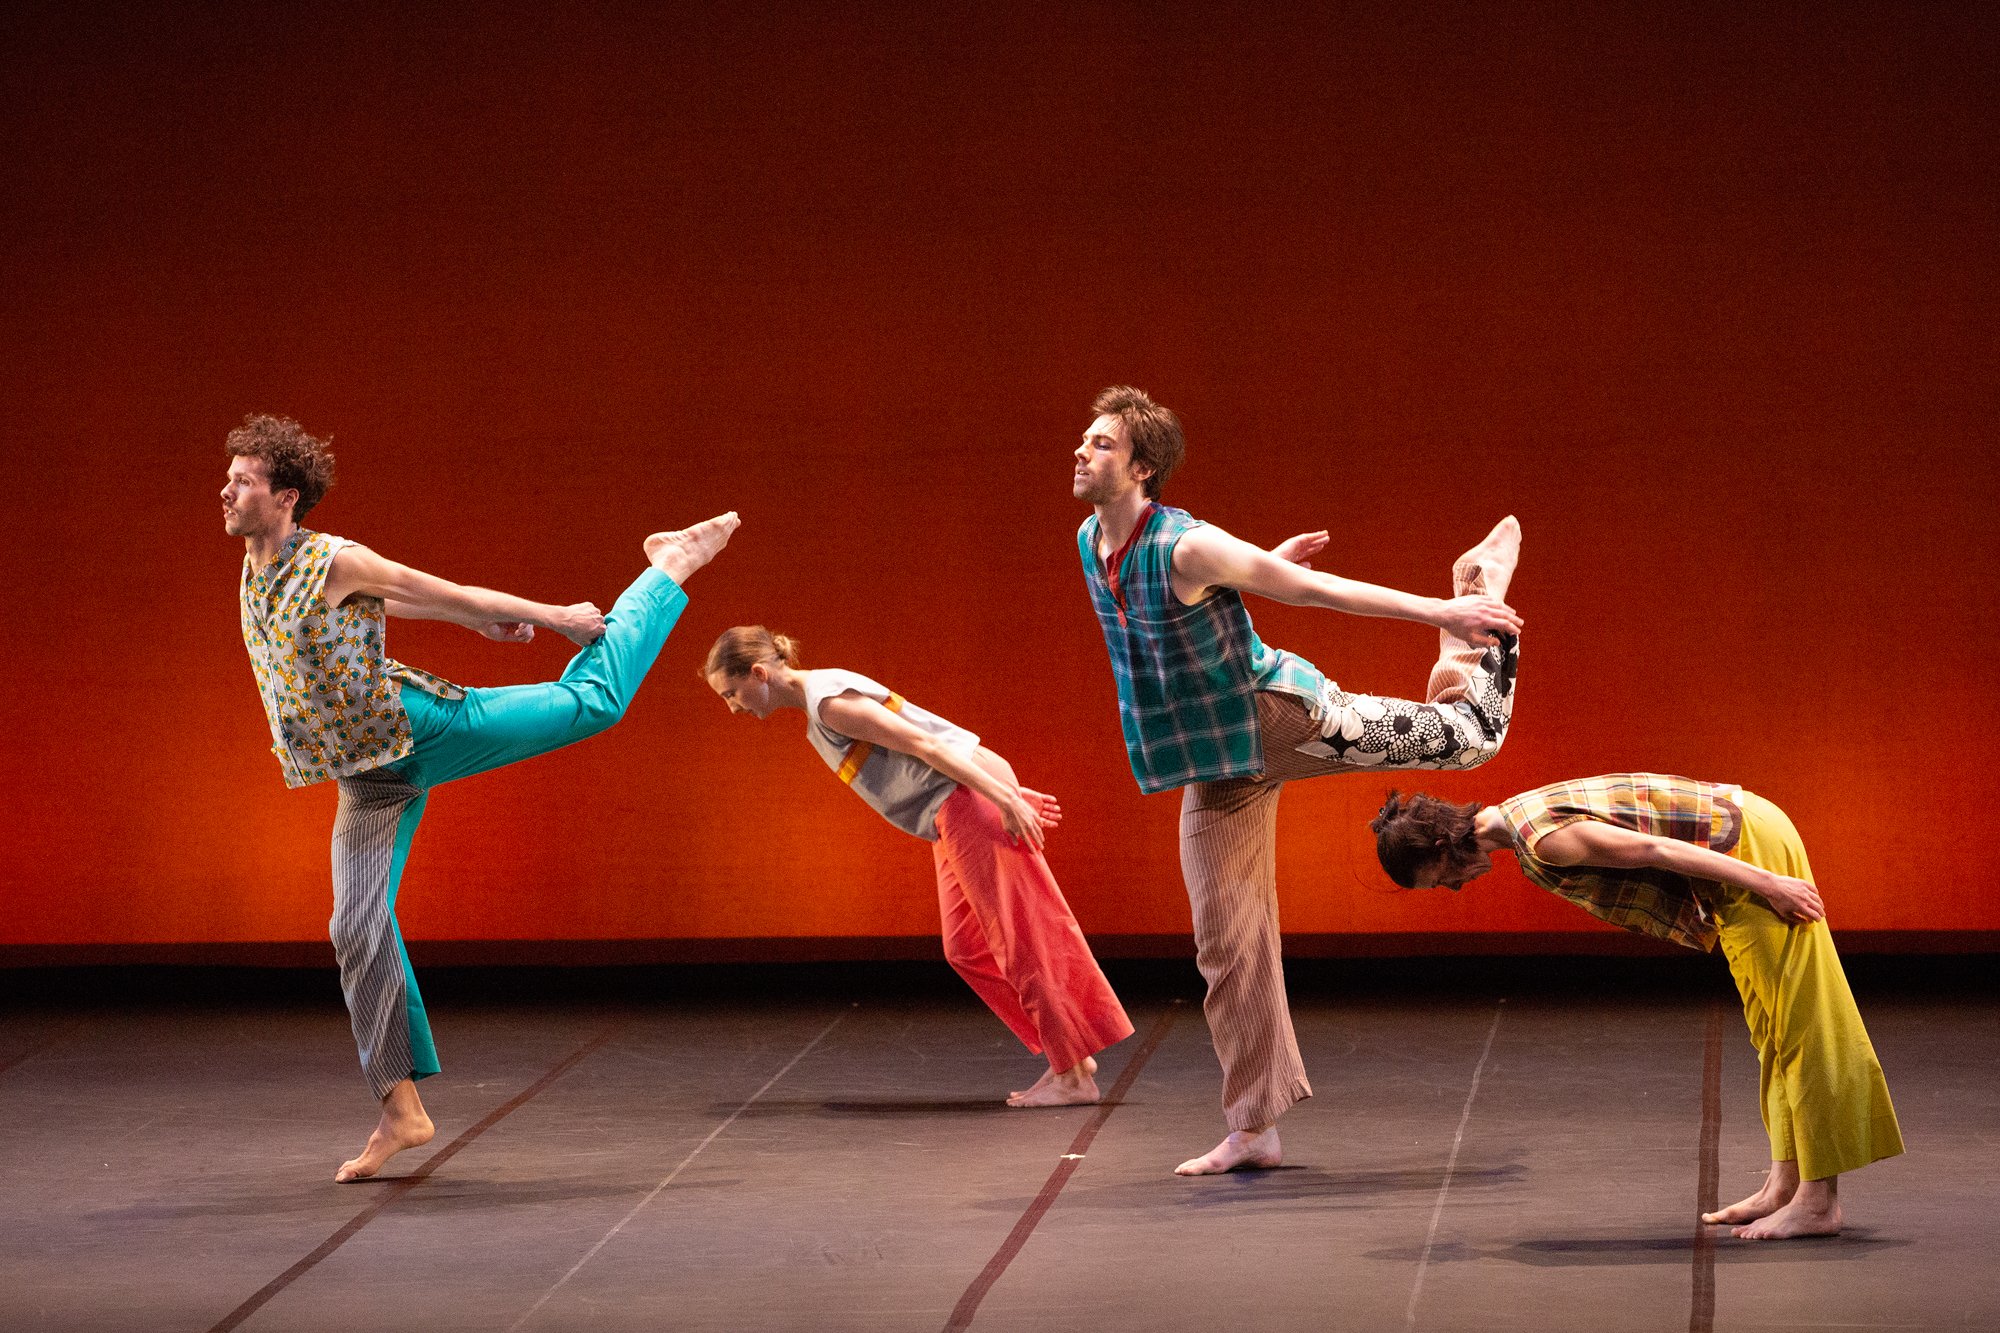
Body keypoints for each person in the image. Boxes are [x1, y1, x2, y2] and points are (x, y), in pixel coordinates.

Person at [223, 413, 738, 1182]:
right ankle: (403, 1111)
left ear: (286, 496)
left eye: (244, 479)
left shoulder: (332, 559)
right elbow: (396, 606)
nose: (226, 488)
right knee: (354, 925)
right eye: (228, 475)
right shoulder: (256, 571)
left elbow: (428, 588)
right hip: (369, 774)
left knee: (590, 703)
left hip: (417, 730)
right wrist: (481, 620)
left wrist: (545, 616)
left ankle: (665, 571)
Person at [1072, 385, 1523, 1175]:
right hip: (1217, 761)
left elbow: (1320, 593)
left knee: (1470, 741)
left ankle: (1477, 595)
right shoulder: (1090, 539)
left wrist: (1439, 612)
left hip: (1282, 720)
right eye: (1086, 439)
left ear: (1142, 468)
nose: (1082, 450)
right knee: (1226, 935)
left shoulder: (1187, 546)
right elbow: (1171, 620)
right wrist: (1259, 568)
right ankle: (1255, 1125)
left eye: (1102, 444)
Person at [1372, 775, 1904, 1240]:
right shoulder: (1518, 819)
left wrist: (1770, 883)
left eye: (1441, 878)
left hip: (1745, 852)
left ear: (1442, 846)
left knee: (1801, 1024)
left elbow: (1655, 851)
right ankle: (1785, 1184)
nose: (1455, 888)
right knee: (1772, 1030)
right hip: (1736, 852)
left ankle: (1818, 1202)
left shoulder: (1543, 840)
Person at [704, 626, 1135, 1105]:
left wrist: (1000, 796)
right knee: (967, 949)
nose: (733, 706)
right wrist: (999, 787)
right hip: (956, 804)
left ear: (759, 673)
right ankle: (1072, 1052)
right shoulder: (819, 707)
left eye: (731, 692)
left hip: (963, 799)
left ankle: (1073, 1076)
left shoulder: (830, 703)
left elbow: (925, 746)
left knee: (1018, 939)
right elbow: (931, 738)